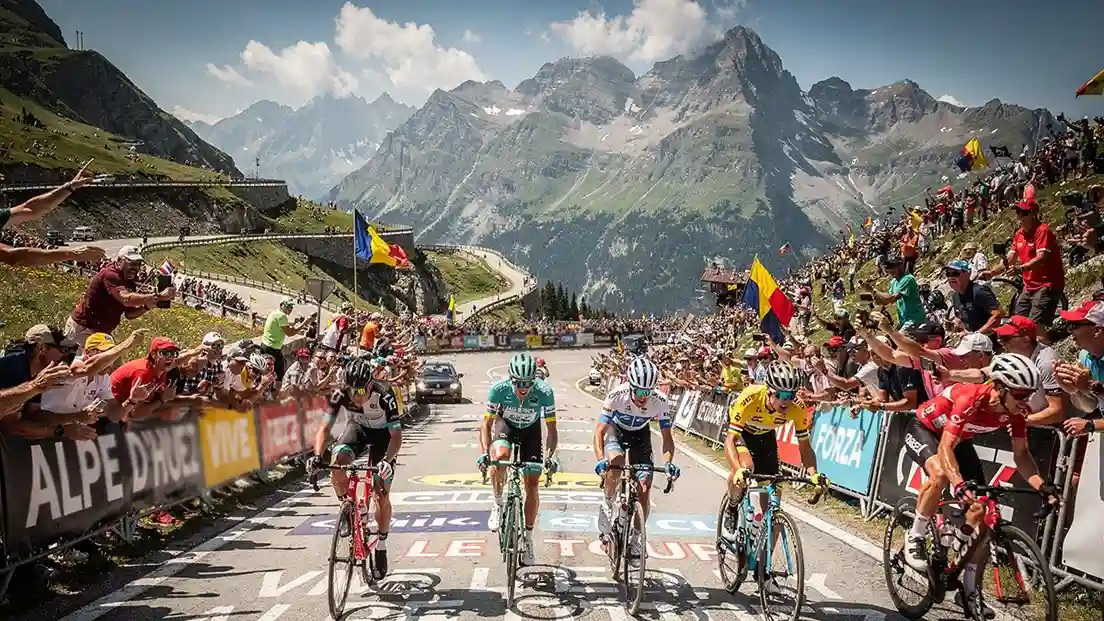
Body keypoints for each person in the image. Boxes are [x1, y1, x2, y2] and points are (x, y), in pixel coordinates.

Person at [900, 353, 1060, 618]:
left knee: (982, 511)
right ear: (999, 387)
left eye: (1029, 393)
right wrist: (959, 484)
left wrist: (1042, 486)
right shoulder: (970, 397)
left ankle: (968, 589)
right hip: (925, 430)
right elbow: (945, 447)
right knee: (939, 475)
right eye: (1020, 394)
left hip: (959, 442)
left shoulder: (1016, 412)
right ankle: (915, 535)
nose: (1026, 400)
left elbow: (1021, 455)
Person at [723, 359, 827, 595]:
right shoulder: (750, 397)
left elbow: (805, 447)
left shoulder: (797, 408)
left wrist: (813, 474)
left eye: (790, 395)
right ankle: (732, 506)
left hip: (765, 438)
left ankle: (764, 570)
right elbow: (730, 440)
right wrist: (737, 469)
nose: (785, 400)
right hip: (741, 433)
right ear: (769, 390)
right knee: (745, 467)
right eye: (780, 394)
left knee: (774, 507)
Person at [307, 358, 403, 581]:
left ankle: (381, 545)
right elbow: (324, 428)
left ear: (370, 385)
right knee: (337, 462)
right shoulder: (340, 394)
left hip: (383, 439)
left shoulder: (385, 394)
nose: (357, 395)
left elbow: (397, 436)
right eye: (352, 390)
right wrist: (317, 456)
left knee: (381, 493)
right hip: (357, 431)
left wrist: (388, 461)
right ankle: (348, 509)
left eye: (361, 390)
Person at [593, 356, 679, 564]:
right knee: (616, 464)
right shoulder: (616, 396)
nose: (644, 397)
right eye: (640, 391)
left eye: (648, 392)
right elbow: (599, 433)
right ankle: (607, 504)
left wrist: (668, 463)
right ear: (630, 386)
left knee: (645, 485)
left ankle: (636, 540)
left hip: (641, 435)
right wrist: (600, 459)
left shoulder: (659, 401)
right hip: (617, 431)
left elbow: (667, 438)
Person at [477, 353, 558, 567]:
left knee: (532, 484)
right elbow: (486, 425)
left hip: (531, 431)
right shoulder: (499, 389)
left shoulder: (544, 392)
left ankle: (528, 540)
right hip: (506, 426)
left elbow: (551, 429)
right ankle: (497, 502)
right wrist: (486, 453)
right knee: (500, 456)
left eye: (528, 383)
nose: (524, 387)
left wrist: (550, 457)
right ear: (511, 379)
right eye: (519, 383)